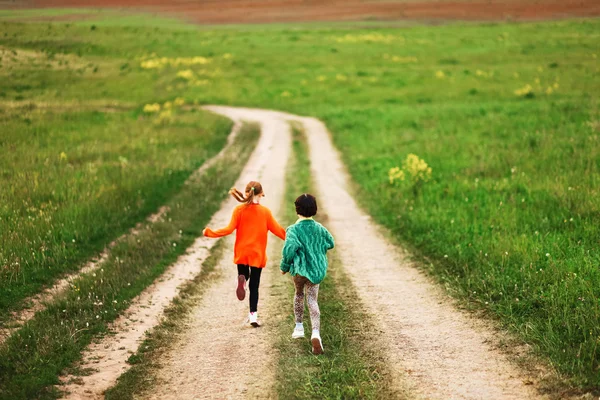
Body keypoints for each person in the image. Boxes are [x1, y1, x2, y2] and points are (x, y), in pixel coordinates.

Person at [203, 181, 285, 327]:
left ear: (247, 193)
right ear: (260, 195)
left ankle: (242, 279)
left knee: (244, 275)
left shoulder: (239, 210)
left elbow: (228, 229)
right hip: (257, 254)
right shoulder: (265, 212)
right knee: (254, 286)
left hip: (242, 251)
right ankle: (253, 316)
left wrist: (210, 233)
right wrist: (297, 240)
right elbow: (279, 231)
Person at [280, 193, 334, 354]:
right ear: (314, 210)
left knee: (298, 294)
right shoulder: (319, 229)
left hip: (299, 271)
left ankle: (299, 327)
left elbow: (289, 249)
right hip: (315, 270)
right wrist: (317, 246)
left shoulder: (293, 230)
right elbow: (330, 242)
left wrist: (284, 266)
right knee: (312, 299)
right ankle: (316, 333)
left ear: (297, 210)